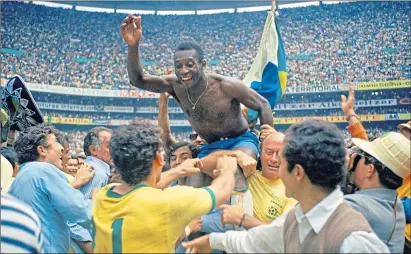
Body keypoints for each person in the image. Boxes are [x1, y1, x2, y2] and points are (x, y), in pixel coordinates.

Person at [182, 119, 389, 253]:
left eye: (283, 159)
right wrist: (212, 242)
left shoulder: (355, 243)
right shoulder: (298, 220)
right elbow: (255, 241)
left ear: (297, 172)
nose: (274, 163)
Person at [121, 15, 273, 195]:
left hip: (242, 141)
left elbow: (263, 104)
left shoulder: (225, 86)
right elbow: (138, 80)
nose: (183, 71)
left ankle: (237, 219)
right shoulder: (174, 85)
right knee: (192, 182)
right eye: (179, 66)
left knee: (235, 171)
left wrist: (266, 142)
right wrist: (133, 45)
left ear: (203, 64)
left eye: (189, 65)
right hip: (209, 146)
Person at [91, 120, 238, 253]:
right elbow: (222, 191)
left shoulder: (102, 196)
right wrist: (228, 170)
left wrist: (177, 171)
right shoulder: (168, 201)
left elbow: (142, 188)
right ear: (158, 158)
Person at [8, 124, 94, 253]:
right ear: (42, 150)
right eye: (56, 143)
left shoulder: (22, 174)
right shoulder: (44, 170)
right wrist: (99, 201)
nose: (61, 149)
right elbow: (79, 210)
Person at [345, 132, 410, 253]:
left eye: (362, 156)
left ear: (370, 170)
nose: (356, 161)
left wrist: (337, 173)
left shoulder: (354, 206)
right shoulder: (396, 204)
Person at [220, 131, 297, 229]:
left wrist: (242, 219)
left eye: (280, 154)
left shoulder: (292, 191)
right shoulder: (246, 174)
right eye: (269, 152)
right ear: (260, 154)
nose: (273, 159)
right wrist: (236, 154)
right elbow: (202, 162)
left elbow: (281, 232)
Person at [70, 126, 112, 253]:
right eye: (109, 146)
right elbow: (74, 218)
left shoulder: (96, 169)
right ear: (94, 150)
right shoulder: (96, 172)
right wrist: (91, 247)